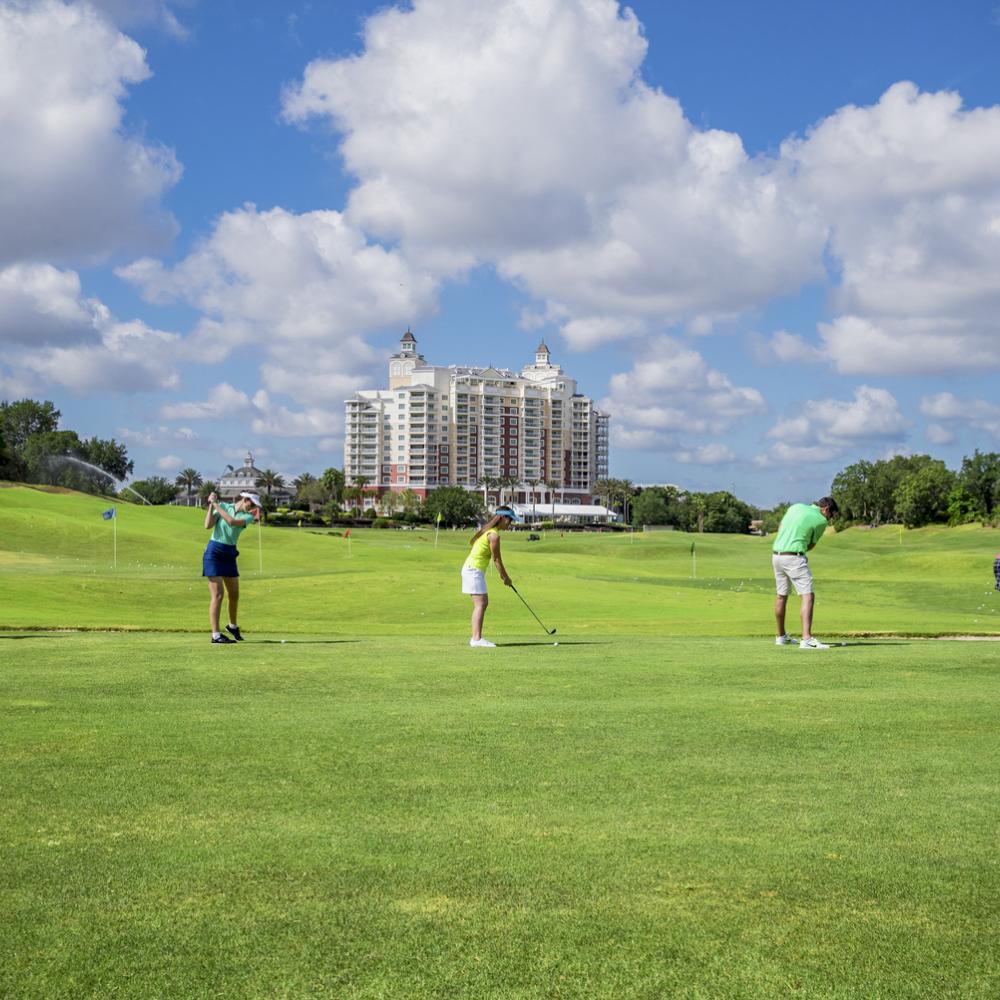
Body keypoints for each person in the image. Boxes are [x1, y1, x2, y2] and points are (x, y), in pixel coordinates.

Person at [772, 496, 839, 649]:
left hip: (776, 556)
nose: (830, 519)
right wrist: (800, 550)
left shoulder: (795, 506)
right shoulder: (821, 521)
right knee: (808, 595)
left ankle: (781, 636)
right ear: (826, 509)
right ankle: (807, 639)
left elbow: (781, 527)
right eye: (831, 515)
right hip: (794, 557)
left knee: (781, 596)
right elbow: (810, 545)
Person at [202, 490, 260, 644]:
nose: (253, 507)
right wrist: (211, 505)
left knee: (234, 594)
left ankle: (232, 626)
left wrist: (215, 504)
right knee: (218, 594)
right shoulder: (223, 507)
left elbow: (231, 522)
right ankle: (215, 635)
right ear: (245, 499)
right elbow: (207, 525)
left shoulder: (249, 516)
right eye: (252, 503)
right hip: (214, 552)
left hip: (229, 554)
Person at [461, 506, 519, 648]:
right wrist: (505, 577)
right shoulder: (493, 535)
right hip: (473, 570)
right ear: (503, 518)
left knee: (481, 604)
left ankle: (476, 638)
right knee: (481, 604)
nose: (511, 523)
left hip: (472, 569)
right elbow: (497, 559)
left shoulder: (489, 531)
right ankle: (476, 639)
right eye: (510, 519)